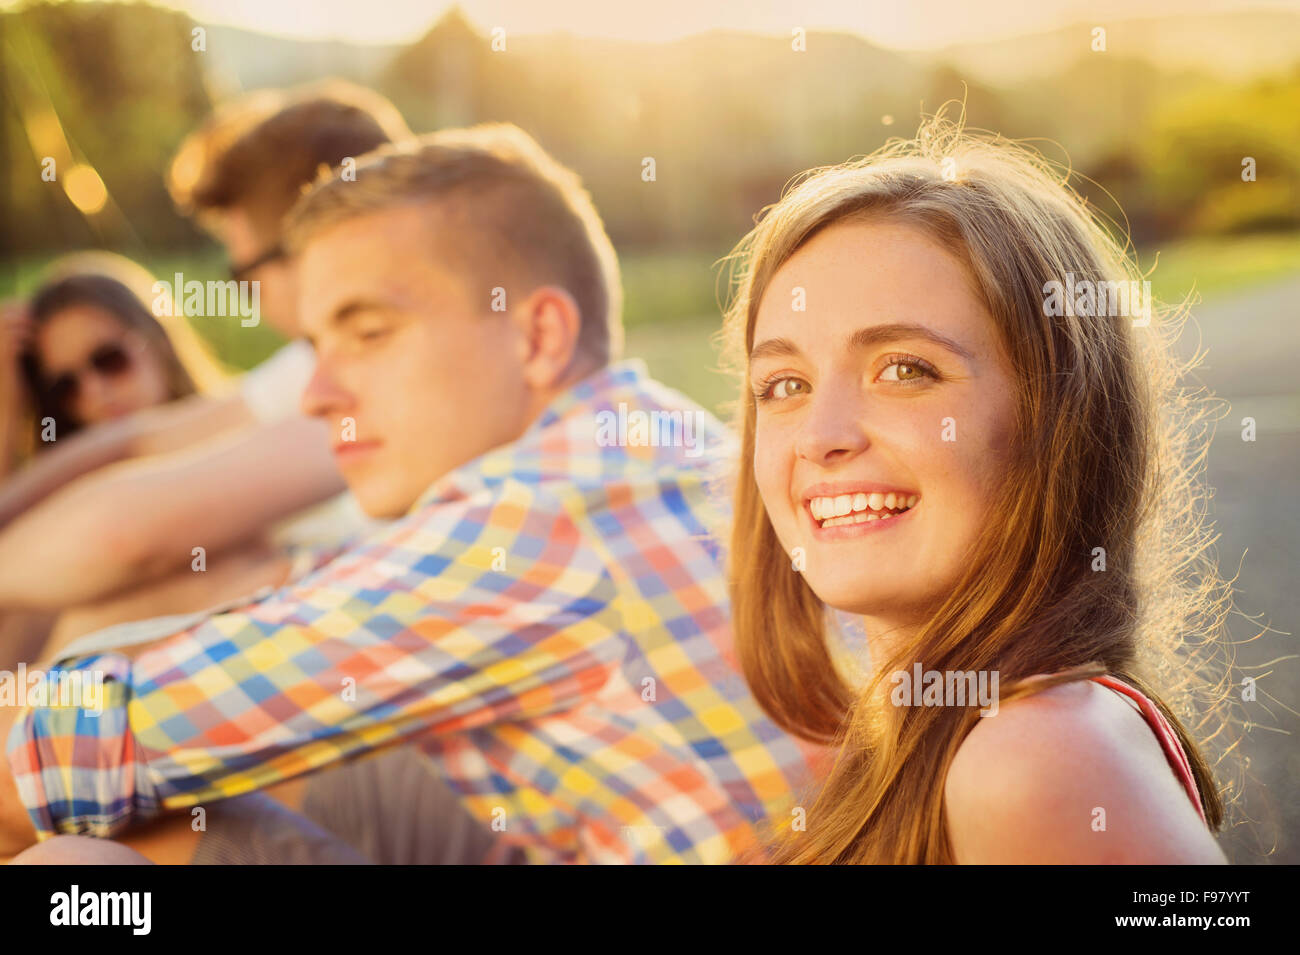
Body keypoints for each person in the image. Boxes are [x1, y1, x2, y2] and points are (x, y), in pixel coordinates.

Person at [0, 122, 824, 865]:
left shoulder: (528, 522)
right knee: (175, 819)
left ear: (537, 336)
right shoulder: (659, 436)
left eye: (368, 334)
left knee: (75, 867)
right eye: (318, 344)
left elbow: (65, 752)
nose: (320, 392)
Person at [721, 115, 1235, 863]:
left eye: (904, 369)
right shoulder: (936, 732)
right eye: (784, 383)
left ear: (1058, 415)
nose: (819, 434)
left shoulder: (1036, 755)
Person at [0, 81, 411, 613]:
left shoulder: (365, 372)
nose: (248, 295)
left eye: (243, 271)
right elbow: (136, 443)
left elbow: (127, 537)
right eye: (64, 386)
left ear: (308, 245)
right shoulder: (317, 360)